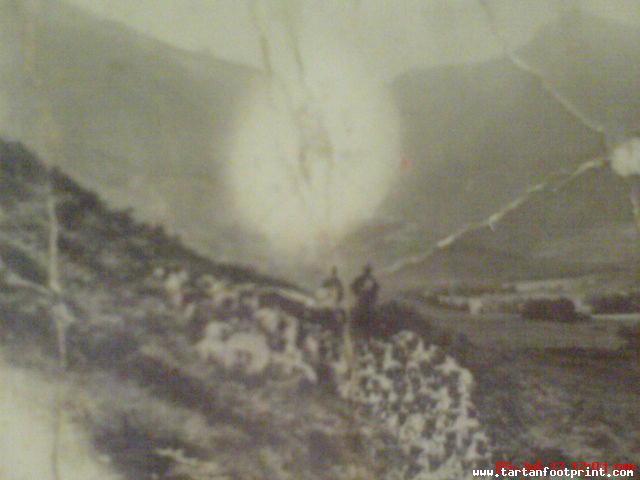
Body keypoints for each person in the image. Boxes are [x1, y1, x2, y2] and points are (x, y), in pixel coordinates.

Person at [350, 263, 379, 328]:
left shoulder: (372, 279)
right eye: (367, 270)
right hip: (363, 300)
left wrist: (372, 295)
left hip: (367, 300)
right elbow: (353, 286)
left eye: (368, 270)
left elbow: (376, 289)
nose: (367, 272)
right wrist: (358, 293)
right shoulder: (362, 279)